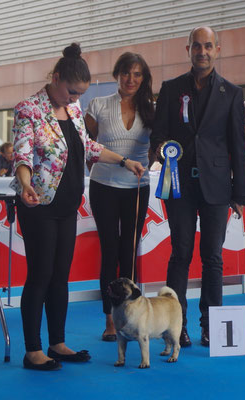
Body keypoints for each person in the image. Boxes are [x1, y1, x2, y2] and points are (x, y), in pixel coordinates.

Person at [10, 43, 145, 371]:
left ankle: (57, 342)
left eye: (79, 95)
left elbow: (88, 146)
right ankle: (32, 350)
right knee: (40, 275)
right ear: (55, 78)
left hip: (68, 204)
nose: (74, 100)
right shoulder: (29, 108)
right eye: (71, 93)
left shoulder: (72, 110)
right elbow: (22, 154)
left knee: (60, 277)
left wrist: (124, 160)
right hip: (38, 203)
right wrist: (26, 184)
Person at [150, 26, 245, 347]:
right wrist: (164, 151)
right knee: (180, 254)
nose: (202, 51)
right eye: (196, 46)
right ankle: (176, 325)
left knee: (213, 258)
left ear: (217, 49)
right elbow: (158, 136)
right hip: (178, 186)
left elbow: (237, 145)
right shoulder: (170, 89)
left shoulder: (232, 93)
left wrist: (240, 193)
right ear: (188, 50)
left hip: (218, 187)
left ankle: (213, 326)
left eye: (208, 46)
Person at [84, 52, 154, 342]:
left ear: (143, 78)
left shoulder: (152, 109)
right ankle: (110, 319)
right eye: (126, 73)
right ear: (117, 74)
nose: (131, 79)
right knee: (109, 252)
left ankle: (130, 317)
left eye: (137, 74)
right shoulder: (98, 105)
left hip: (138, 187)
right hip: (104, 186)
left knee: (129, 252)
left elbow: (159, 146)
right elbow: (86, 144)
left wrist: (160, 156)